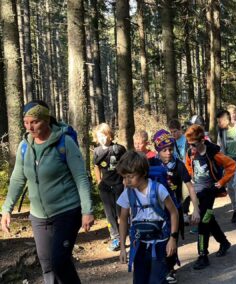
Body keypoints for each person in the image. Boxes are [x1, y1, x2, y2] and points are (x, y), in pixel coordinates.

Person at [1, 100, 94, 283]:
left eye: (34, 122)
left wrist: (87, 210)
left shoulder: (64, 142)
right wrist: (6, 209)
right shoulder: (24, 146)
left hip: (67, 212)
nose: (29, 127)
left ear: (46, 119)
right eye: (26, 122)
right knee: (47, 265)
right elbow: (18, 179)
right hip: (38, 216)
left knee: (59, 261)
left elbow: (81, 178)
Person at [117, 151, 179, 284]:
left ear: (143, 173)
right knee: (140, 280)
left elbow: (174, 213)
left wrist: (173, 239)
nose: (126, 181)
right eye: (124, 177)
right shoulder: (127, 193)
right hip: (139, 245)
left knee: (157, 280)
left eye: (130, 177)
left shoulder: (158, 189)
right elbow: (123, 219)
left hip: (160, 243)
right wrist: (122, 247)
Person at [150, 129, 200, 283]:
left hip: (174, 210)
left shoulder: (178, 165)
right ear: (157, 150)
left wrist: (196, 209)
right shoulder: (150, 164)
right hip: (156, 210)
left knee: (172, 238)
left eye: (170, 149)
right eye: (164, 150)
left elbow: (190, 187)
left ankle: (170, 268)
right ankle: (159, 267)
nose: (168, 153)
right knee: (158, 239)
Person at [185, 124, 236, 269]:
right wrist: (190, 179)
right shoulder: (190, 153)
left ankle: (203, 255)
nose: (192, 148)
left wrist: (221, 182)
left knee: (203, 222)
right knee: (209, 219)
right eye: (190, 145)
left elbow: (231, 165)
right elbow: (188, 166)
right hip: (198, 193)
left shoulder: (213, 153)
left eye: (194, 144)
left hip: (210, 192)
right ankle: (224, 242)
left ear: (202, 140)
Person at [93, 123, 126, 251]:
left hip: (119, 184)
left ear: (110, 136)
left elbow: (125, 163)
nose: (102, 138)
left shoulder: (118, 149)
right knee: (109, 214)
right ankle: (115, 238)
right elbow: (97, 167)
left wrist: (125, 179)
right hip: (105, 186)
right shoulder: (96, 151)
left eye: (105, 135)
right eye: (99, 136)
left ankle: (124, 236)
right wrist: (99, 181)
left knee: (121, 213)